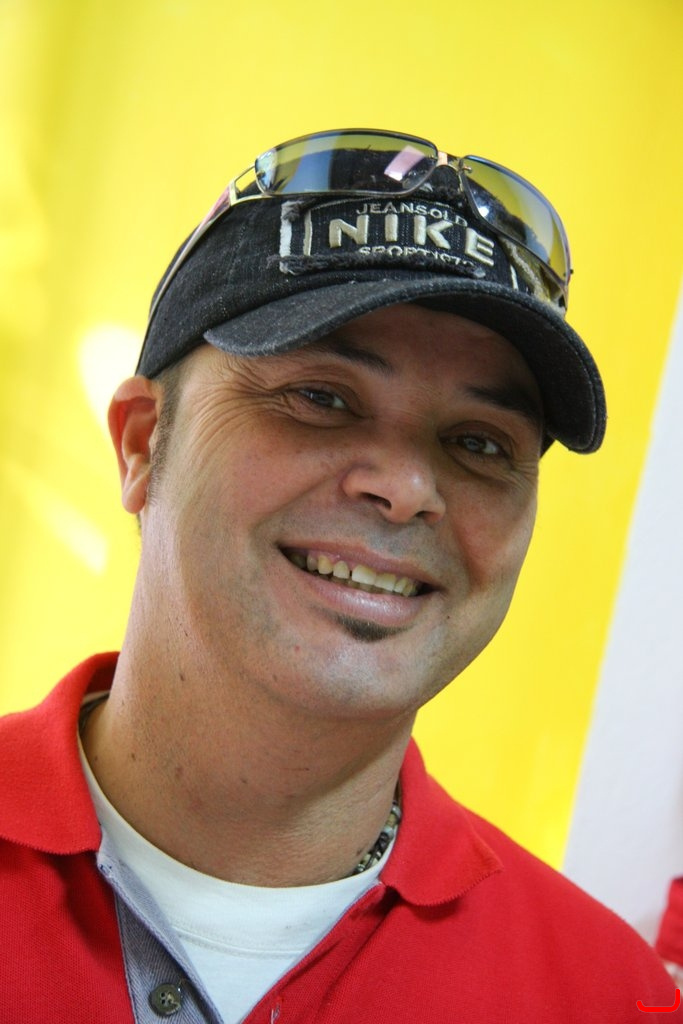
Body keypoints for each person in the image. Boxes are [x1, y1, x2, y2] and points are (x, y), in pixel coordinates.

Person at [0, 129, 677, 1022]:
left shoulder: (607, 995)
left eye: (479, 444)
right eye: (321, 398)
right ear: (141, 444)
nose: (404, 489)